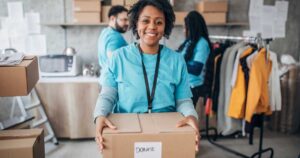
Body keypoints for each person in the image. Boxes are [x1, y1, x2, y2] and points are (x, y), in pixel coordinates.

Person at [93, 0, 199, 153]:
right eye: (145, 21)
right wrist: (99, 116)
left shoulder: (176, 60)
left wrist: (191, 115)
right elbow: (107, 96)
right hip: (127, 130)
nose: (152, 27)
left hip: (167, 132)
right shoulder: (118, 58)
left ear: (165, 26)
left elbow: (183, 100)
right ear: (136, 23)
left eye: (159, 22)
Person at [177, 11, 212, 106]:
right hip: (183, 86)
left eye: (186, 27)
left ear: (192, 28)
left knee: (185, 118)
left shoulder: (202, 44)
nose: (184, 30)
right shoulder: (189, 42)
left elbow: (196, 69)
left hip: (193, 89)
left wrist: (177, 63)